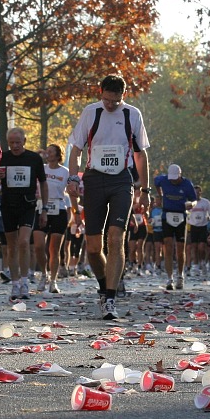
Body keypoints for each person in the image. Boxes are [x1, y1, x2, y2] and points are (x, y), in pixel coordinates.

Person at [66, 74, 150, 320]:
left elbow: (141, 155)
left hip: (121, 180)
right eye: (106, 100)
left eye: (115, 100)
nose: (111, 105)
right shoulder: (91, 112)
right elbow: (76, 149)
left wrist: (145, 190)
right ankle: (104, 285)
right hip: (94, 179)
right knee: (93, 247)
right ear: (100, 92)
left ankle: (111, 297)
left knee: (116, 238)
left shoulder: (132, 114)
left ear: (123, 96)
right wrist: (73, 178)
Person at [0, 127, 48, 301]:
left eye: (18, 142)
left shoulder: (34, 158)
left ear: (24, 141)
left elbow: (43, 183)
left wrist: (44, 209)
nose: (15, 146)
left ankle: (25, 281)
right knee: (11, 246)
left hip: (27, 205)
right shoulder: (2, 158)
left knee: (24, 242)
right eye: (11, 143)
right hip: (8, 206)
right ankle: (15, 283)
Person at [31, 144, 70, 294]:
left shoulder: (64, 172)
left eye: (50, 151)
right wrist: (38, 153)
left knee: (54, 249)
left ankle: (53, 281)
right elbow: (30, 162)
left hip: (58, 208)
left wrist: (75, 213)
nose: (48, 153)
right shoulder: (41, 168)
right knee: (39, 246)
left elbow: (71, 192)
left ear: (58, 154)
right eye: (46, 151)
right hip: (41, 207)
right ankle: (44, 274)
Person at [153, 164, 196, 290]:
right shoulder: (163, 180)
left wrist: (191, 204)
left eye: (175, 178)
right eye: (171, 178)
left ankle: (180, 276)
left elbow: (194, 199)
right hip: (167, 215)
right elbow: (156, 182)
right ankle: (169, 278)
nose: (173, 180)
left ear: (180, 175)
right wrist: (160, 195)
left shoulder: (187, 184)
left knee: (180, 248)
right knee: (168, 246)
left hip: (181, 216)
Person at [186, 184, 210, 277]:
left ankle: (203, 263)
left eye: (198, 192)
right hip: (193, 226)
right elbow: (185, 213)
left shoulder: (205, 202)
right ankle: (196, 266)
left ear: (200, 192)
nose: (196, 194)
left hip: (203, 226)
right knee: (194, 247)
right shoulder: (189, 203)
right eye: (194, 192)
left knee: (201, 247)